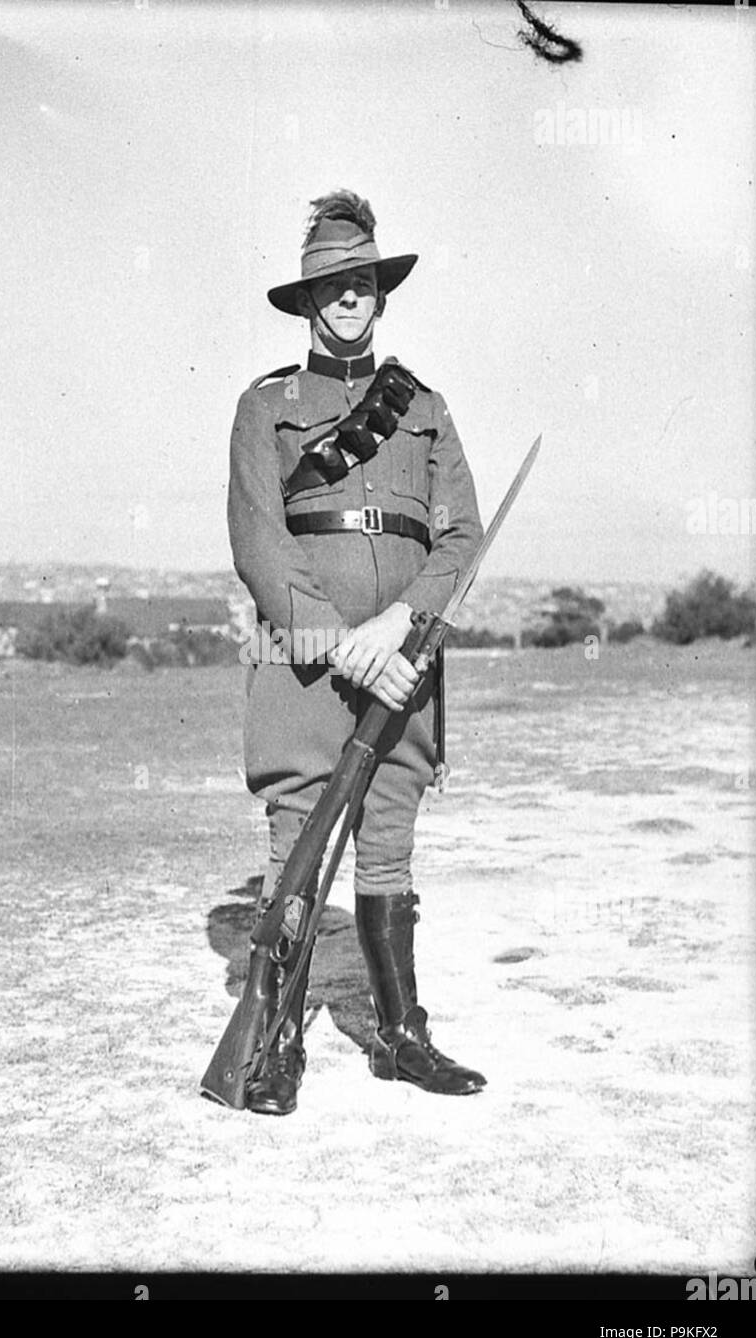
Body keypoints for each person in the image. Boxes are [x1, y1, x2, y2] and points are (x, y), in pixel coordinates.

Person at [227, 190, 486, 1116]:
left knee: (388, 839)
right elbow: (260, 542)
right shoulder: (267, 409)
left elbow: (461, 540)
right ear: (306, 302)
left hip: (403, 661)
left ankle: (399, 1035)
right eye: (332, 287)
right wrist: (341, 645)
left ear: (382, 295)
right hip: (305, 661)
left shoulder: (424, 407)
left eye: (364, 284)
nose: (349, 299)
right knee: (298, 838)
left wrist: (395, 632)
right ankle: (277, 1044)